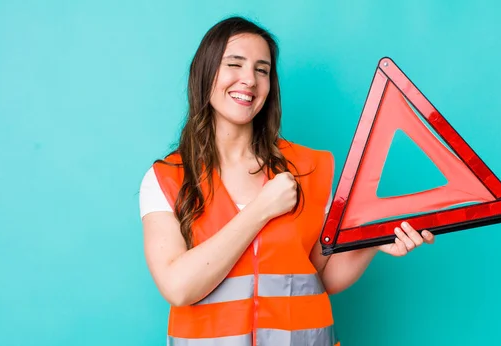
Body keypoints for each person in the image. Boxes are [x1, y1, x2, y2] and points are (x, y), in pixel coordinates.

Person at [139, 16, 435, 346]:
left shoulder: (311, 167)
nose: (249, 80)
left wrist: (369, 242)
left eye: (262, 70)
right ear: (205, 73)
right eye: (234, 65)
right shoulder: (167, 178)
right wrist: (261, 209)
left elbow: (321, 276)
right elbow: (178, 287)